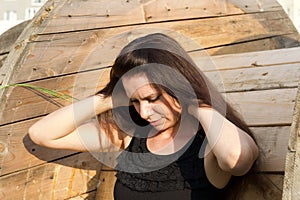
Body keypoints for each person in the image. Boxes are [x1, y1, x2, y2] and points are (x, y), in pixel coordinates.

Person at [28, 33, 259, 200]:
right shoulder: (130, 136)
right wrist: (111, 97)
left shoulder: (208, 144)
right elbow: (42, 135)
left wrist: (197, 104)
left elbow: (236, 159)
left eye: (153, 98)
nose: (144, 113)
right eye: (135, 101)